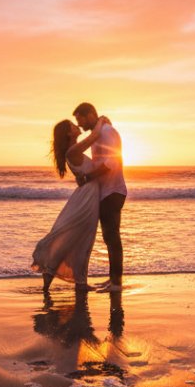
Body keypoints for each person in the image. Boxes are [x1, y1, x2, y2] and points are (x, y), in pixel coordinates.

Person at [30, 119, 112, 291]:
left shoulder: (73, 150)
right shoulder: (73, 150)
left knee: (81, 239)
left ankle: (77, 282)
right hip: (86, 198)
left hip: (87, 195)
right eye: (73, 126)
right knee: (77, 238)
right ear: (69, 133)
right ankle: (76, 282)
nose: (77, 126)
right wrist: (102, 120)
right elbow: (95, 135)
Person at [68, 102, 126, 292]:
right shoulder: (100, 132)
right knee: (109, 237)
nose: (81, 125)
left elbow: (112, 162)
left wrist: (87, 177)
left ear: (91, 114)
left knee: (112, 237)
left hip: (112, 191)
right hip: (106, 192)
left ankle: (116, 283)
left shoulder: (107, 132)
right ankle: (113, 280)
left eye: (81, 119)